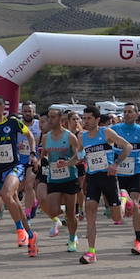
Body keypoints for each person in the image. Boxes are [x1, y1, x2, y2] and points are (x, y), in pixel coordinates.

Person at [0, 94, 39, 256]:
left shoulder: (13, 123)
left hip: (14, 167)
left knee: (6, 194)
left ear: (1, 108)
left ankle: (20, 231)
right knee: (15, 203)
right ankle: (30, 235)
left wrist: (33, 153)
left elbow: (30, 136)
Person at [76, 105, 135, 264]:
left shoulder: (106, 132)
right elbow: (79, 157)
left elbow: (127, 146)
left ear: (97, 119)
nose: (85, 121)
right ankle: (91, 252)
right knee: (90, 212)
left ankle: (123, 197)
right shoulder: (82, 137)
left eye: (88, 118)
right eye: (84, 118)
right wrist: (66, 163)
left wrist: (115, 164)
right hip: (93, 179)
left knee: (117, 217)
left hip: (108, 178)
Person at [109, 103, 140, 255]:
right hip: (118, 173)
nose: (127, 114)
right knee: (118, 209)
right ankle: (135, 208)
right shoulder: (115, 130)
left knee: (133, 205)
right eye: (125, 112)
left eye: (130, 112)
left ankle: (138, 242)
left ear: (136, 114)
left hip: (136, 172)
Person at [41, 108, 83, 253]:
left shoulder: (70, 136)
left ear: (60, 119)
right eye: (48, 117)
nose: (50, 120)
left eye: (53, 117)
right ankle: (62, 212)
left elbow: (78, 156)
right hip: (53, 178)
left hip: (70, 178)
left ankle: (72, 238)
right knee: (52, 210)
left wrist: (67, 163)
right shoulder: (46, 137)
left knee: (71, 214)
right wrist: (42, 161)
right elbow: (44, 155)